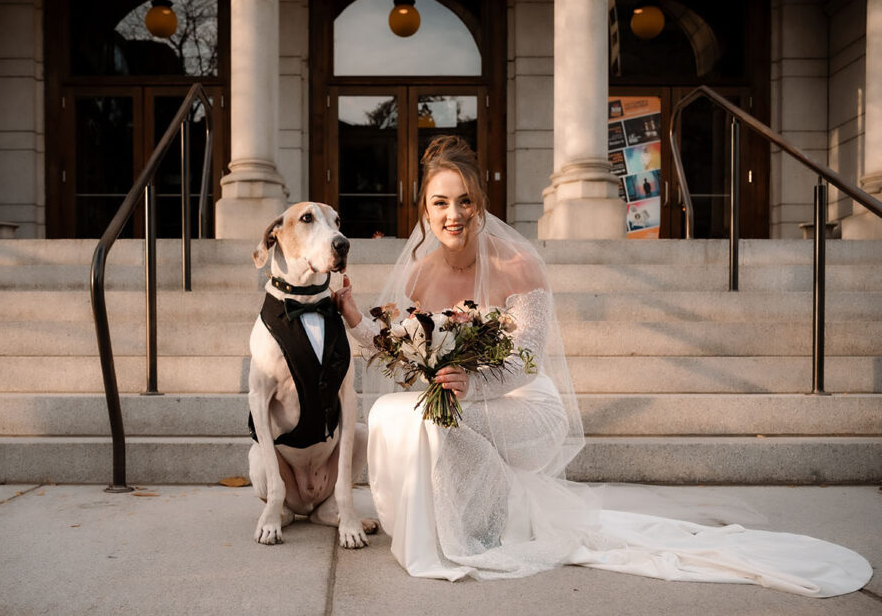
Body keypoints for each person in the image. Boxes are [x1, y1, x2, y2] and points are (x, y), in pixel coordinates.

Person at [331, 135, 871, 594]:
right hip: (463, 392)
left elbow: (526, 359)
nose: (454, 215)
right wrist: (355, 315)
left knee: (434, 417)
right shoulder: (421, 274)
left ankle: (476, 532)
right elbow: (397, 347)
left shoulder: (516, 266)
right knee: (390, 413)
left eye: (465, 201)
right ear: (424, 209)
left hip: (525, 406)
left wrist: (473, 382)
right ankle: (448, 527)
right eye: (441, 203)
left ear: (481, 203)